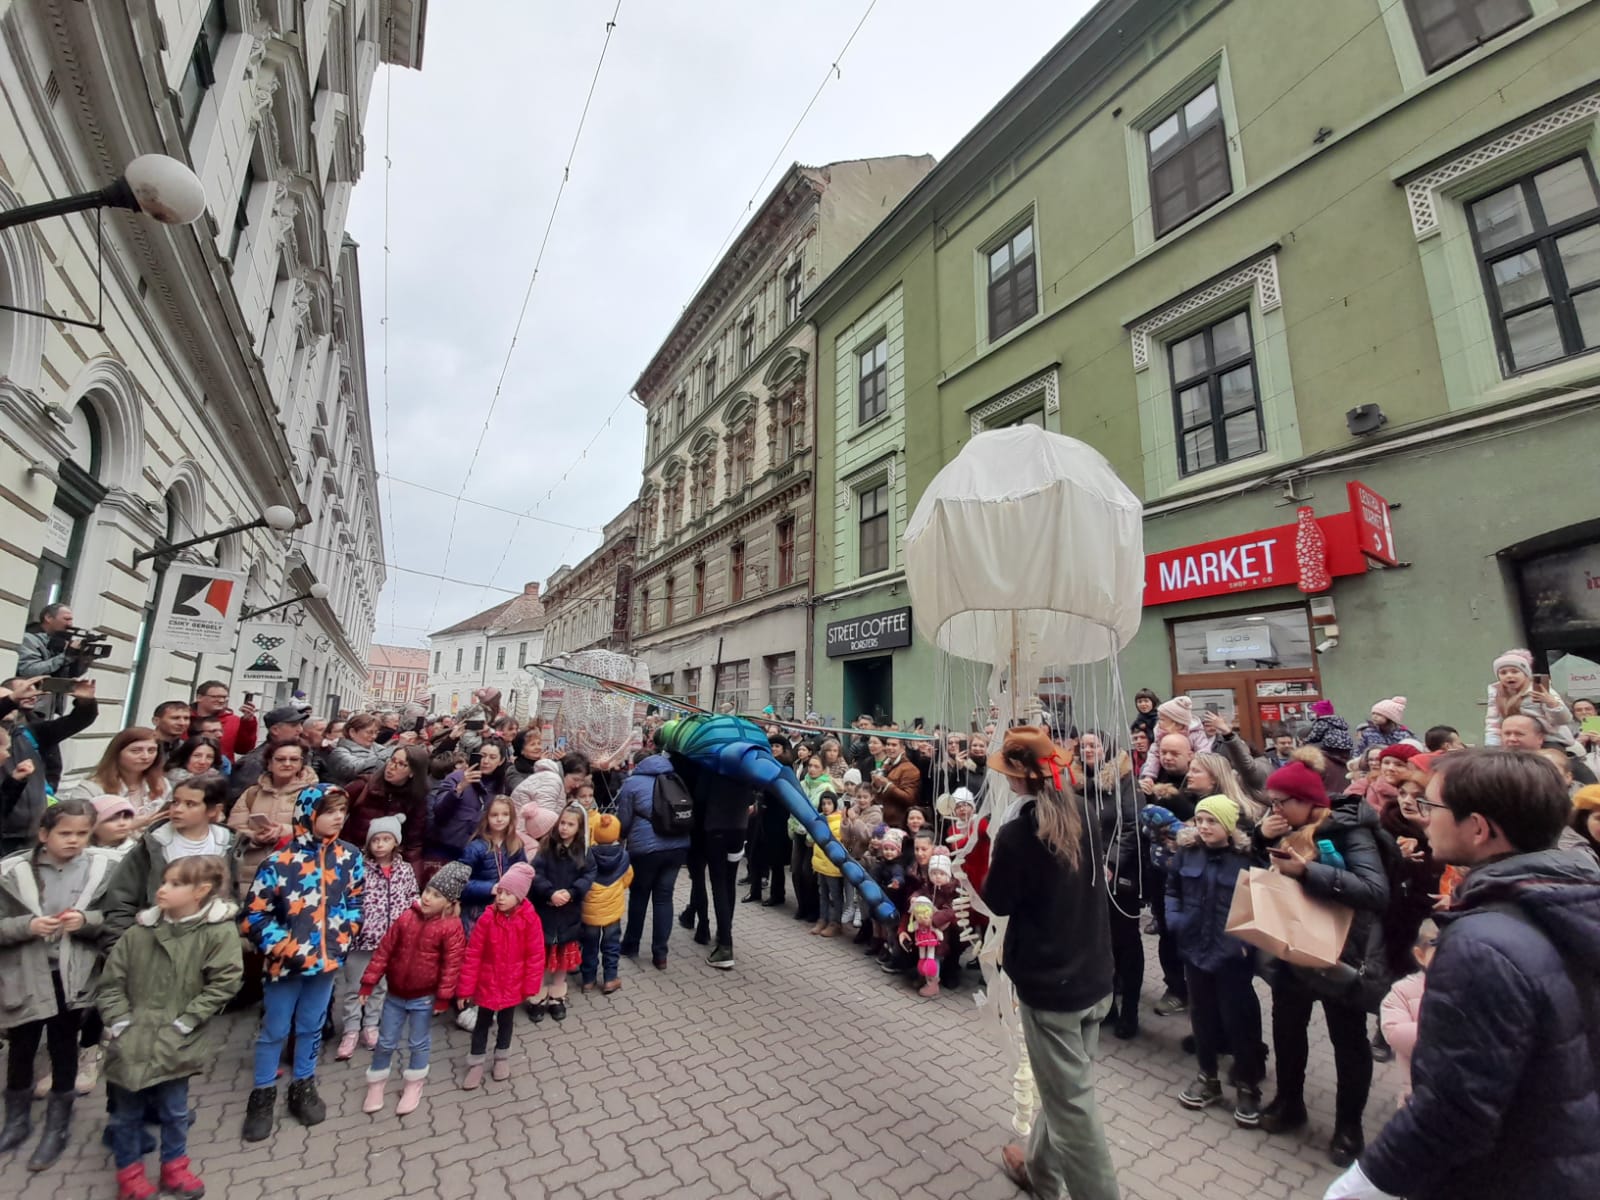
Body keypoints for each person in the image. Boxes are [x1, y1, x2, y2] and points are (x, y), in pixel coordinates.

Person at [1329, 750, 1600, 1200]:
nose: (1422, 817)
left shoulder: (1482, 944)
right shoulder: (1574, 894)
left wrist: (1359, 1187)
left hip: (1509, 1174)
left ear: (1478, 827)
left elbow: (1454, 1110)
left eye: (1432, 807)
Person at [981, 727, 1119, 1200]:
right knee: (1065, 1089)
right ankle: (1040, 1171)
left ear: (1019, 779)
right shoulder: (1085, 811)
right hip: (1095, 973)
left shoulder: (1019, 833)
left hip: (1052, 986)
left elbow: (998, 901)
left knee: (1074, 1105)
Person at [1253, 752, 1390, 1167]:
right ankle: (1289, 1102)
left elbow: (1374, 891)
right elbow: (1260, 871)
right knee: (1287, 1027)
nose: (1275, 810)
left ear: (1309, 801)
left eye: (1282, 802)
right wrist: (1261, 838)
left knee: (1347, 1040)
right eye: (1271, 803)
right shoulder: (1282, 827)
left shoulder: (1349, 829)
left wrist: (1308, 872)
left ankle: (1349, 1127)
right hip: (1292, 945)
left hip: (1338, 950)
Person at [97, 854, 242, 1200]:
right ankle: (129, 1175)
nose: (162, 889)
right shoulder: (139, 932)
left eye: (175, 884)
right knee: (126, 1114)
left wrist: (187, 1021)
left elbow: (225, 981)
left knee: (175, 1111)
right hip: (130, 1038)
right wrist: (119, 1021)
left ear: (201, 891)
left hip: (176, 1041)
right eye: (164, 881)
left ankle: (174, 1168)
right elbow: (111, 982)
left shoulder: (217, 932)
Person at [240, 784, 364, 1142]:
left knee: (311, 1026)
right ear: (309, 815)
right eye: (329, 811)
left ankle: (303, 1085)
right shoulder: (280, 862)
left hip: (325, 964)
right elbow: (254, 916)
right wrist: (284, 947)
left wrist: (344, 935)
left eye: (342, 810)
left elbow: (356, 901)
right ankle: (262, 1094)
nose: (338, 817)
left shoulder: (349, 857)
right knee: (275, 1029)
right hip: (286, 966)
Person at [0, 798, 109, 1171]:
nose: (74, 841)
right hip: (27, 974)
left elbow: (114, 916)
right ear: (44, 834)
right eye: (64, 833)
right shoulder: (12, 872)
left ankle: (57, 1124)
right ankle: (15, 1119)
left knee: (65, 1044)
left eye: (82, 833)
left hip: (72, 975)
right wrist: (26, 927)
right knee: (22, 1044)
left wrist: (88, 920)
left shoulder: (101, 868)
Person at [1165, 795, 1264, 1126]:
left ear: (1229, 826)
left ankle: (1248, 1087)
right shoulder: (1187, 852)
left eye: (1212, 821)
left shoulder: (1246, 859)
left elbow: (1260, 904)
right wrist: (1175, 920)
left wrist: (1246, 944)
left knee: (1240, 1022)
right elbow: (1173, 890)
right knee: (1202, 1017)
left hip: (1232, 955)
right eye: (1200, 820)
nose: (1204, 827)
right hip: (1194, 948)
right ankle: (1207, 1078)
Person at [359, 860, 468, 1116]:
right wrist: (368, 983)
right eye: (427, 891)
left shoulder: (451, 927)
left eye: (436, 895)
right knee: (385, 1041)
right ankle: (376, 1083)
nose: (428, 898)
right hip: (395, 993)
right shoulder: (407, 916)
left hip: (423, 997)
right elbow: (385, 950)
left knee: (418, 1041)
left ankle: (413, 1084)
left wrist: (443, 998)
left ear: (450, 902)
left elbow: (452, 965)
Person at [103, 773, 237, 941]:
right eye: (175, 801)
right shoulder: (152, 845)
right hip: (155, 939)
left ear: (213, 810)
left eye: (190, 804)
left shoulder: (229, 845)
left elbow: (237, 896)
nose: (178, 809)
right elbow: (121, 901)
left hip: (209, 943)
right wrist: (117, 945)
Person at [1075, 731, 1142, 1040]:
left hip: (1119, 875)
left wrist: (1111, 862)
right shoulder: (1076, 783)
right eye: (1083, 746)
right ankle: (1106, 1004)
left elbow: (1131, 827)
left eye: (1094, 745)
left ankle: (1130, 1009)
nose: (1088, 750)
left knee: (1125, 942)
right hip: (1085, 872)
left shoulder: (1124, 780)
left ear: (1107, 749)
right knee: (1099, 941)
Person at [456, 862, 543, 1090]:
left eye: (508, 893)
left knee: (506, 1022)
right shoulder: (487, 919)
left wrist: (531, 986)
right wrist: (465, 989)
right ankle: (476, 1061)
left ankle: (501, 1057)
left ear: (520, 896)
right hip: (487, 983)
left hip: (512, 984)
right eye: (500, 892)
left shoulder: (530, 920)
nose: (501, 897)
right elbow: (473, 953)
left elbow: (535, 955)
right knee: (482, 1022)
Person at [337, 815, 417, 1062]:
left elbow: (412, 896)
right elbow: (347, 898)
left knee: (380, 987)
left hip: (389, 941)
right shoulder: (358, 868)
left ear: (396, 842)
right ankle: (351, 1029)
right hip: (361, 940)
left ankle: (371, 1025)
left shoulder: (405, 870)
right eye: (376, 840)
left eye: (386, 839)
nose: (380, 845)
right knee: (354, 986)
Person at [0, 676, 98, 851]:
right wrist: (12, 700)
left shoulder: (29, 733)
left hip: (33, 834)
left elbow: (76, 722)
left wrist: (85, 702)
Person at [528, 804, 593, 1022]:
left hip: (569, 913)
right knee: (543, 956)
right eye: (562, 823)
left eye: (570, 824)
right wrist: (550, 892)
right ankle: (538, 994)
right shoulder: (547, 847)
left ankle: (557, 994)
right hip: (546, 910)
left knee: (563, 957)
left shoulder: (583, 852)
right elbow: (536, 874)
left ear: (579, 828)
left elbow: (588, 876)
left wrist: (572, 893)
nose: (564, 828)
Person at [227, 739, 318, 888]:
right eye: (280, 759)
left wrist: (285, 830)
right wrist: (254, 838)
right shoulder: (252, 793)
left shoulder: (314, 794)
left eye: (294, 759)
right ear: (269, 763)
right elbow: (233, 830)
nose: (287, 764)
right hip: (250, 876)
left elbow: (321, 832)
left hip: (295, 875)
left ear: (302, 763)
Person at [1377, 919, 1437, 1105]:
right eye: (1441, 953)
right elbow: (1394, 1033)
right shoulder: (1403, 991)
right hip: (1415, 1096)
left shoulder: (1470, 990)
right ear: (1420, 955)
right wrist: (1447, 1031)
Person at [64, 727, 168, 824]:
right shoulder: (91, 788)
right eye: (136, 751)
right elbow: (76, 825)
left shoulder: (162, 783)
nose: (146, 756)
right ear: (117, 753)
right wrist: (130, 825)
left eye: (152, 750)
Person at [427, 740, 505, 868]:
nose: (486, 761)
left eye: (492, 757)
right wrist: (460, 788)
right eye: (483, 755)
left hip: (474, 851)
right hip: (444, 846)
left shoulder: (500, 787)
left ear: (501, 761)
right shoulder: (456, 777)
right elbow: (439, 811)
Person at [458, 796, 526, 939]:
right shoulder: (475, 847)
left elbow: (524, 876)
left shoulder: (516, 845)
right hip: (477, 912)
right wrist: (490, 888)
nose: (500, 819)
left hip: (508, 910)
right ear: (486, 817)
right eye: (494, 815)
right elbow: (460, 883)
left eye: (505, 814)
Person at [581, 812, 632, 994]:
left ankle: (588, 980)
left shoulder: (587, 855)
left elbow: (582, 879)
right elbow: (628, 879)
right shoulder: (623, 856)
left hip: (590, 911)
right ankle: (610, 979)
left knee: (589, 945)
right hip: (612, 910)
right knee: (611, 945)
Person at [1485, 648, 1575, 749]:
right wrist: (1492, 745)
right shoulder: (1496, 694)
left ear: (1525, 674)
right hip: (1515, 742)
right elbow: (1493, 723)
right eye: (1503, 673)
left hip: (1549, 740)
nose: (1509, 675)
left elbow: (1564, 720)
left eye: (1515, 671)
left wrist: (1551, 703)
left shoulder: (1539, 688)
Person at [226, 706, 306, 803]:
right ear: (275, 730)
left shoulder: (303, 752)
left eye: (300, 724)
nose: (300, 730)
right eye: (294, 725)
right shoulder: (254, 762)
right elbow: (239, 800)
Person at [15, 603, 92, 681]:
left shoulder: (60, 641)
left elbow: (66, 675)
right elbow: (28, 671)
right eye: (66, 619)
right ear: (48, 617)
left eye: (71, 620)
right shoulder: (29, 639)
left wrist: (82, 659)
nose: (70, 624)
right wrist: (65, 656)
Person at [190, 681, 257, 762]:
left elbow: (244, 750)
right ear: (199, 697)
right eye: (215, 697)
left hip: (221, 772)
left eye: (224, 697)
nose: (221, 700)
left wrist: (248, 723)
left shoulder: (234, 721)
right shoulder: (184, 718)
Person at [810, 792, 846, 937]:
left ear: (835, 804)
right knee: (823, 893)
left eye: (829, 803)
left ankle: (835, 922)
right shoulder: (819, 820)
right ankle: (822, 919)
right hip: (821, 864)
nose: (826, 807)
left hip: (833, 866)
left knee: (835, 895)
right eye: (823, 804)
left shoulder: (839, 822)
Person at [872, 737, 922, 829]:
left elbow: (909, 799)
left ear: (903, 748)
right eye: (888, 744)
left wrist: (888, 785)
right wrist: (877, 786)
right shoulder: (886, 765)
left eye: (894, 745)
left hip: (898, 823)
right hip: (883, 820)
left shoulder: (910, 769)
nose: (890, 748)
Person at [324, 713, 387, 785]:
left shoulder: (380, 749)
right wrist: (385, 757)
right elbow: (354, 768)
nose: (374, 736)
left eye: (376, 733)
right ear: (352, 732)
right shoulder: (339, 752)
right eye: (369, 732)